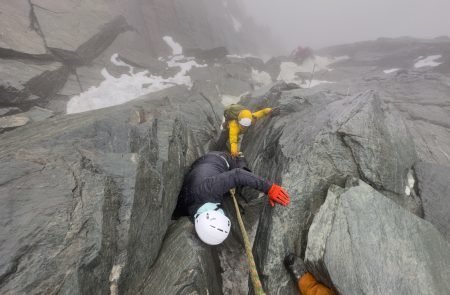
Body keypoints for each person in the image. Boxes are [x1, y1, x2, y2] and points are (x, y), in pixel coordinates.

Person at [173, 151, 290, 245]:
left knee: (241, 178)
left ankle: (239, 158)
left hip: (218, 159)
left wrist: (269, 188)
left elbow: (237, 174)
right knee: (233, 189)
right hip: (201, 169)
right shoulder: (186, 209)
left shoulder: (209, 189)